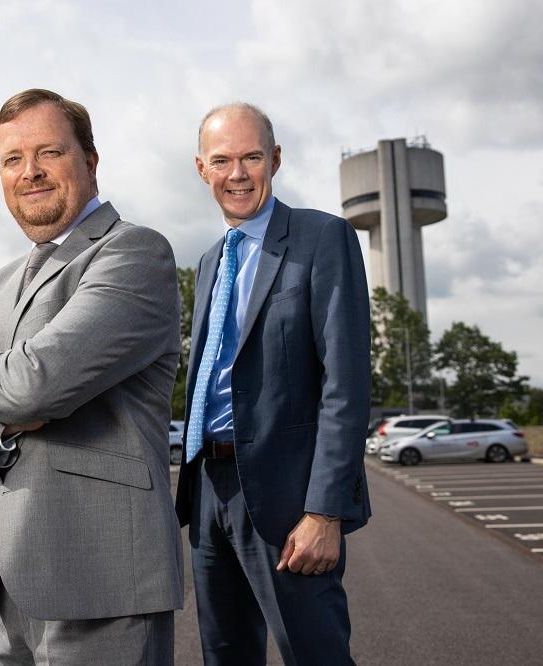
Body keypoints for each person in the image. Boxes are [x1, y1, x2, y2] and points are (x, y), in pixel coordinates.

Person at [0, 89, 183, 665]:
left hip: (103, 573)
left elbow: (37, 384)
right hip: (13, 571)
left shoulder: (133, 253)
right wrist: (1, 434)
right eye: (12, 159)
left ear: (90, 161)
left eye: (49, 153)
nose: (29, 172)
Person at [175, 103, 371, 665]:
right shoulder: (211, 259)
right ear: (200, 168)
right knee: (226, 656)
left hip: (290, 498)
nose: (237, 174)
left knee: (316, 657)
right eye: (222, 160)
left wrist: (325, 512)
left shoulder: (322, 238)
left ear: (275, 159)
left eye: (252, 157)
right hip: (209, 488)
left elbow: (346, 385)